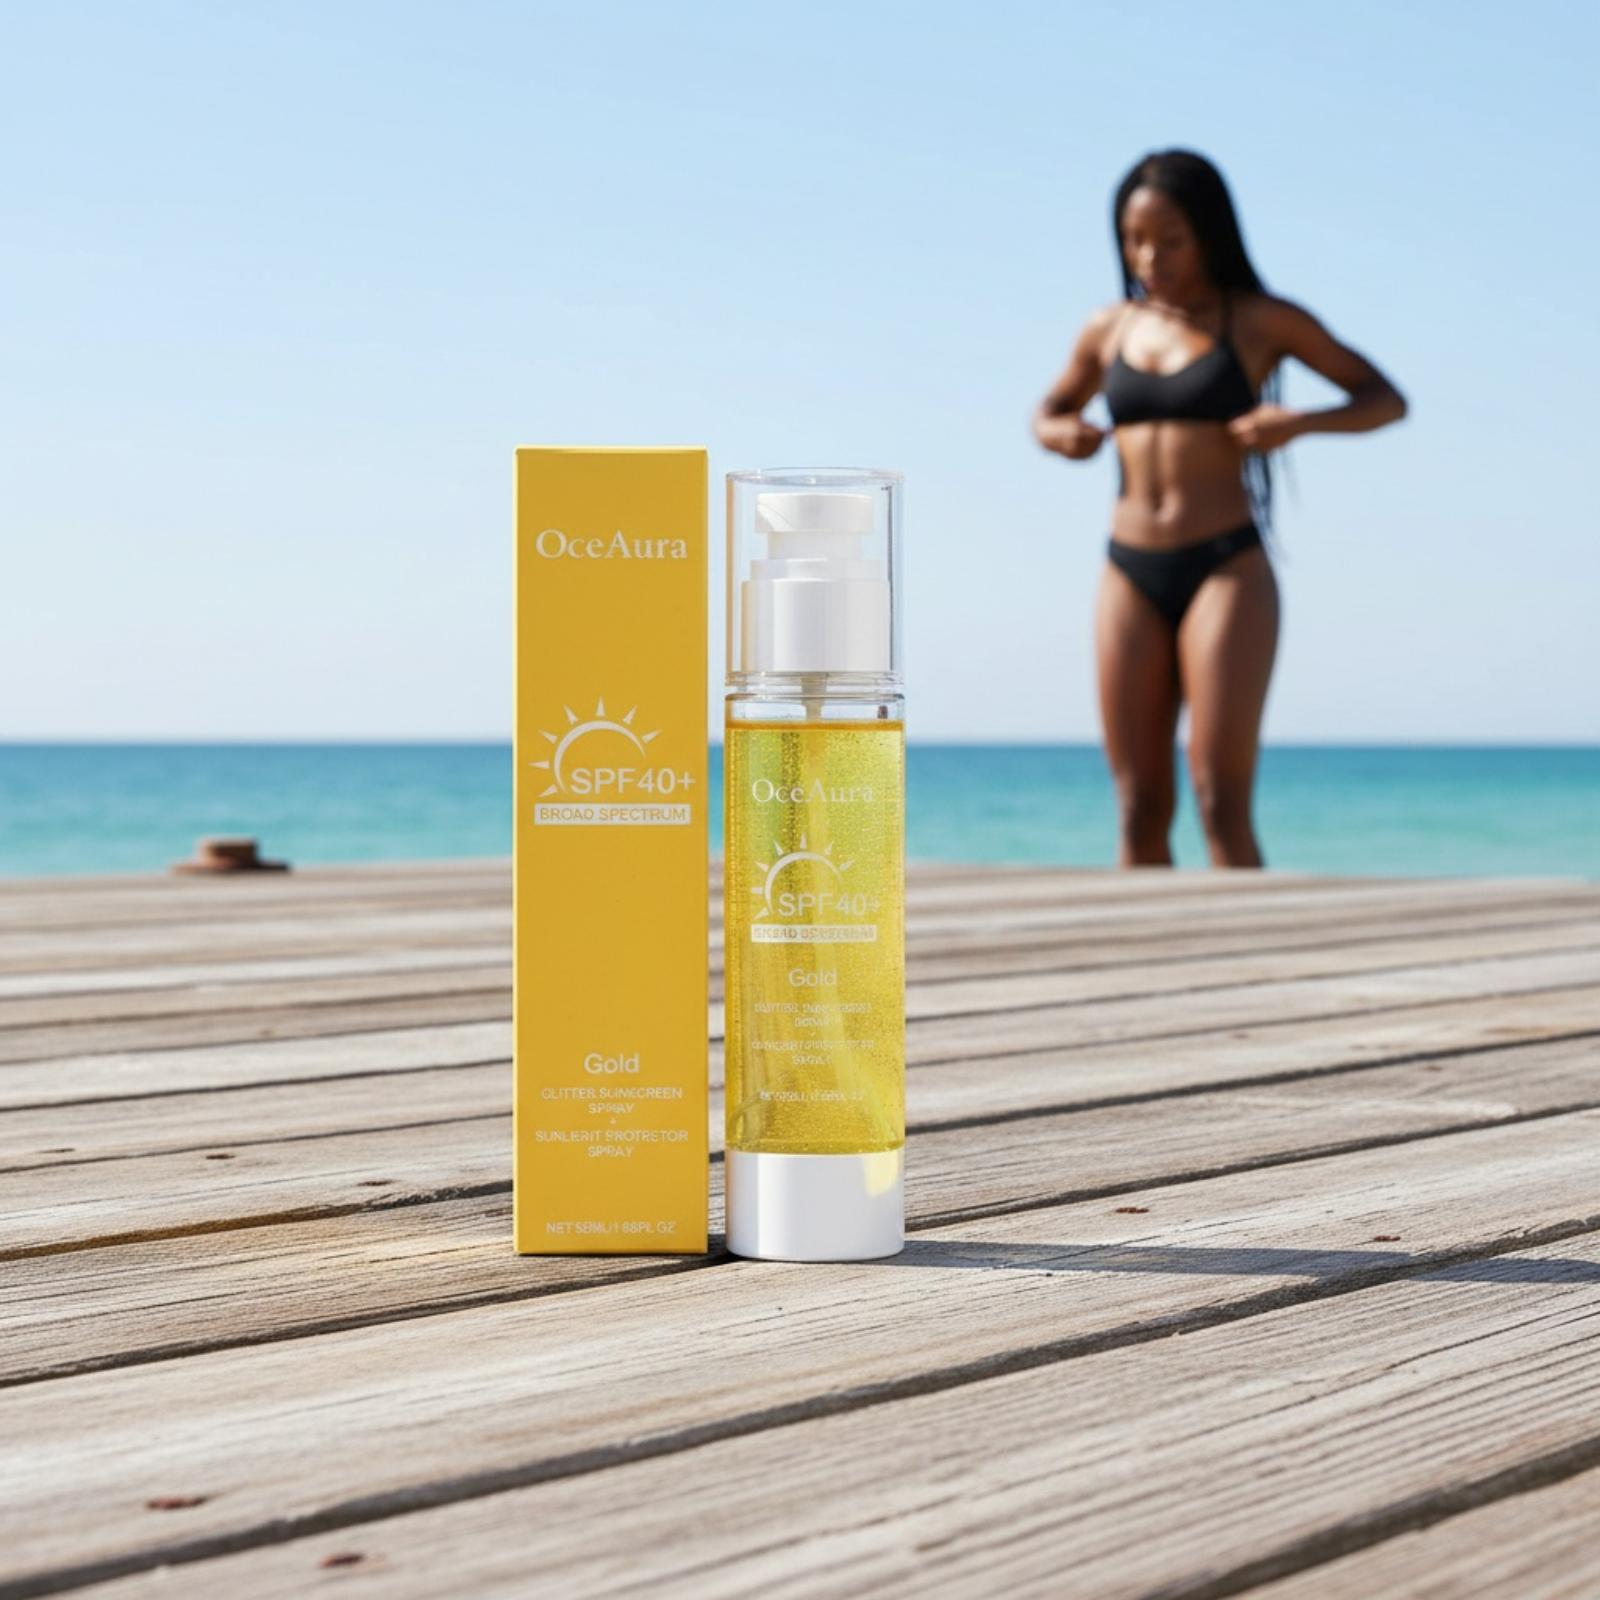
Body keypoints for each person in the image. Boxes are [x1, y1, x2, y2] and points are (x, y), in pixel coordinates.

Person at [1034, 149, 1407, 867]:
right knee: (1139, 806)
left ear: (1209, 235)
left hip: (1225, 565)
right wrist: (1062, 435)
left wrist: (1298, 423)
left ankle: (1249, 933)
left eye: (1170, 240)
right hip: (1128, 569)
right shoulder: (1109, 328)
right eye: (1134, 240)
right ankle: (1147, 936)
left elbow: (1384, 400)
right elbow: (1047, 412)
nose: (1150, 257)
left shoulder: (1262, 320)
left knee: (1219, 800)